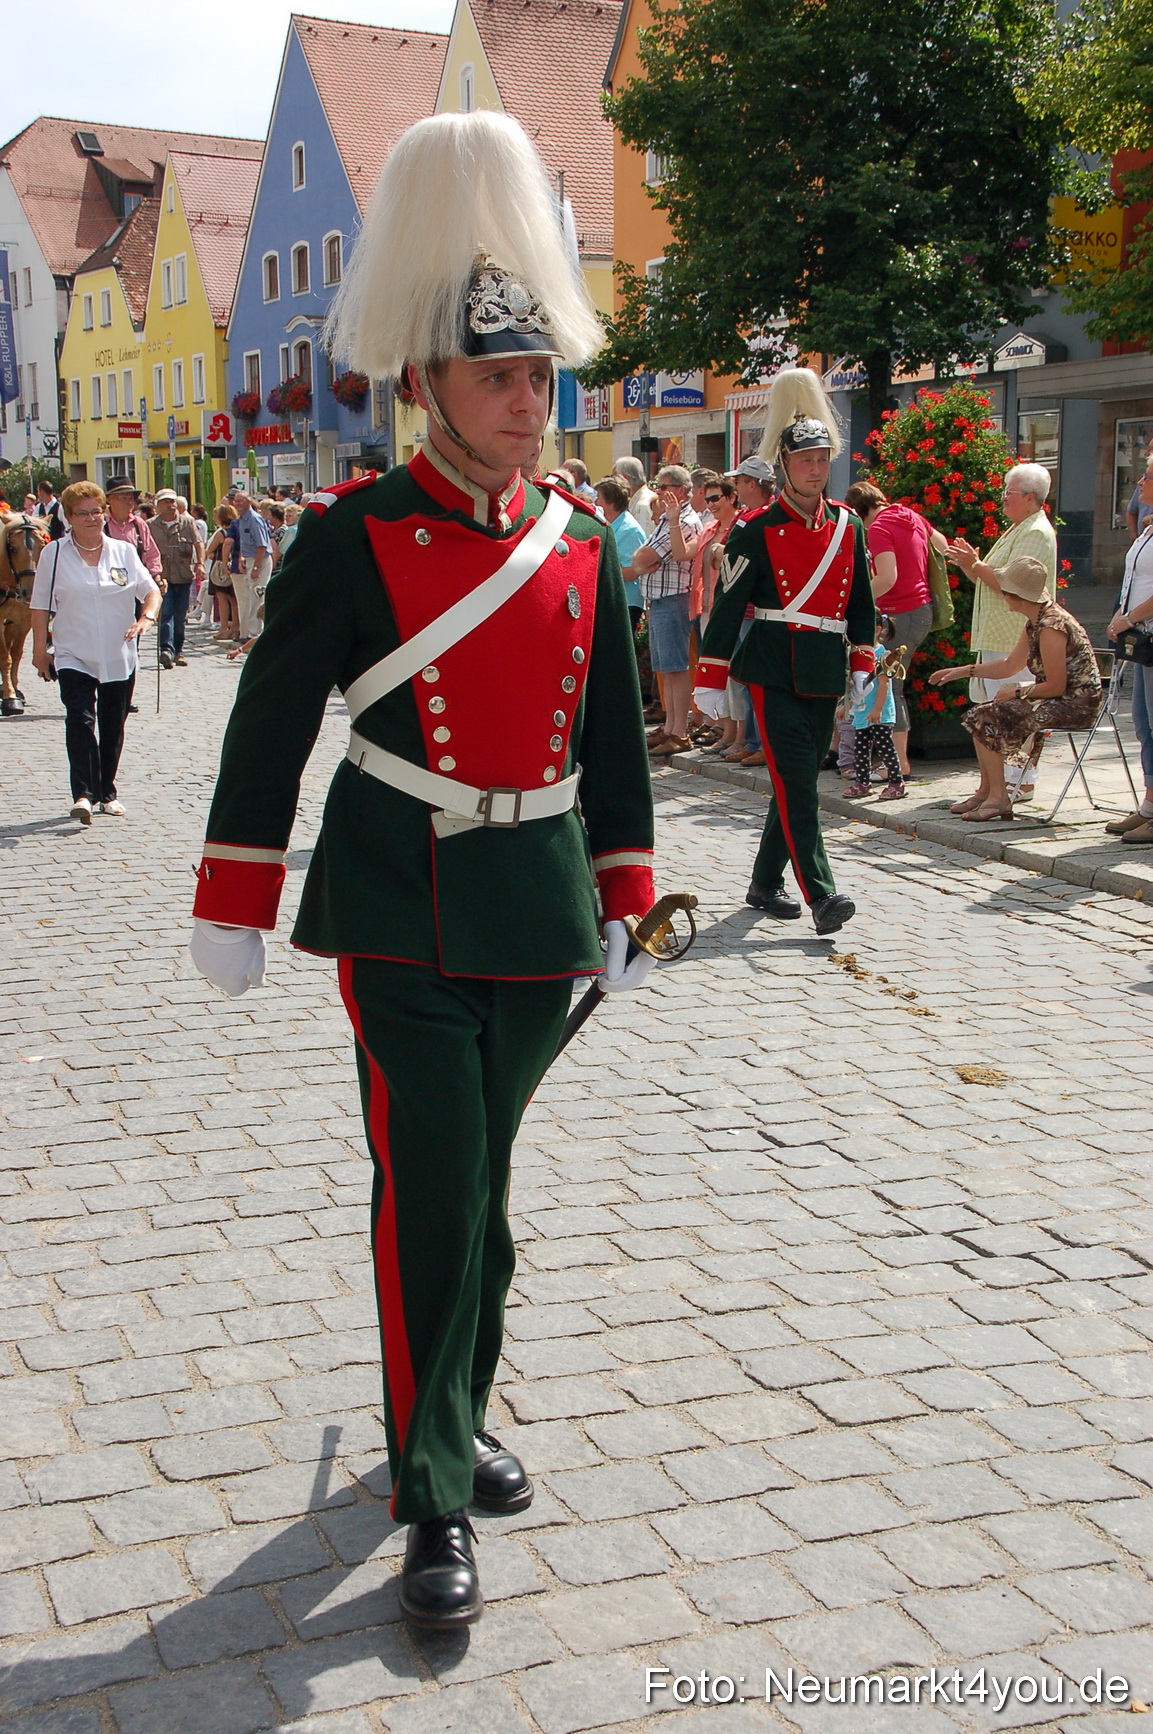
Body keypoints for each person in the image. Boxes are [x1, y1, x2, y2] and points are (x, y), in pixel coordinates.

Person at [187, 109, 657, 1631]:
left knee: (488, 1192)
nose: (531, 403)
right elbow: (268, 725)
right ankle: (430, 1492)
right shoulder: (353, 531)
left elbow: (612, 743)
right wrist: (235, 894)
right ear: (428, 387)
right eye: (499, 378)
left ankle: (458, 1406)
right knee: (433, 1189)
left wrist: (630, 886)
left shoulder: (579, 539)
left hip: (537, 906)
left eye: (539, 376)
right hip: (397, 903)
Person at [694, 367, 875, 934]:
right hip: (771, 668)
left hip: (824, 667)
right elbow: (727, 606)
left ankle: (763, 882)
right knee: (799, 782)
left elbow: (862, 603)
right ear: (785, 466)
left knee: (790, 783)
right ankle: (822, 894)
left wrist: (864, 662)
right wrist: (711, 674)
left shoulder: (848, 525)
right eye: (805, 461)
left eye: (822, 460)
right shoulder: (755, 527)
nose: (816, 470)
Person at [930, 555, 1100, 821]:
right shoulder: (1036, 618)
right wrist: (963, 671)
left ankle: (999, 798)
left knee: (986, 716)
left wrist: (1019, 691)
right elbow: (1010, 664)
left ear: (1014, 596)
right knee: (981, 713)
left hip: (1076, 705)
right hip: (1060, 698)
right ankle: (986, 791)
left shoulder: (1051, 625)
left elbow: (1056, 685)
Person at [28, 482, 160, 823]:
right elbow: (40, 605)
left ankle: (106, 792)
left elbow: (151, 592)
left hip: (118, 653)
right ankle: (83, 794)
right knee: (80, 719)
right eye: (82, 513)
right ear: (69, 517)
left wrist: (146, 618)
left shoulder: (124, 552)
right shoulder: (53, 554)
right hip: (74, 652)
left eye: (96, 511)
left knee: (113, 725)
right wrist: (39, 649)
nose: (91, 518)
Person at [947, 462, 1057, 801]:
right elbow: (991, 581)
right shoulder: (1017, 528)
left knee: (1009, 715)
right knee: (985, 713)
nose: (1003, 498)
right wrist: (971, 566)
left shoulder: (1036, 532)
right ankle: (989, 787)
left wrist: (977, 566)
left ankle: (1017, 784)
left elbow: (1017, 586)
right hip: (995, 635)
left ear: (1029, 497)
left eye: (1008, 492)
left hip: (1015, 638)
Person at [844, 479, 948, 779]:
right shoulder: (909, 514)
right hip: (921, 609)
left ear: (859, 512)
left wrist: (854, 603)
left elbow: (887, 577)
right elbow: (942, 546)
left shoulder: (877, 528)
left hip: (901, 612)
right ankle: (893, 760)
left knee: (890, 688)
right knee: (890, 686)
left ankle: (897, 764)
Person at [631, 464, 703, 755]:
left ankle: (679, 730)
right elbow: (641, 557)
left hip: (673, 598)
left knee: (676, 669)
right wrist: (642, 562)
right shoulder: (666, 519)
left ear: (681, 491)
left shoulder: (684, 520)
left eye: (665, 487)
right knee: (665, 669)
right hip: (659, 599)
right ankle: (671, 726)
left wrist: (643, 561)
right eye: (658, 486)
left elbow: (647, 555)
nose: (659, 492)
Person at [1106, 466, 1153, 844]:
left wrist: (1129, 619)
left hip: (1147, 631)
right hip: (1142, 637)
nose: (1139, 482)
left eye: (1148, 476)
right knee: (1142, 722)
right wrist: (1120, 614)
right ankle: (1150, 806)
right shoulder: (1149, 526)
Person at [843, 617, 905, 799]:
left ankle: (896, 782)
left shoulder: (882, 655)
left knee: (886, 748)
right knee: (860, 749)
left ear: (878, 630)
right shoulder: (859, 655)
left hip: (880, 713)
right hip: (863, 712)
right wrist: (846, 706)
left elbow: (884, 684)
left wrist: (878, 709)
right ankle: (862, 782)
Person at [151, 488, 204, 668]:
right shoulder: (150, 525)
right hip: (162, 576)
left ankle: (179, 651)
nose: (170, 505)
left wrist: (200, 564)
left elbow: (198, 543)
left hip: (183, 575)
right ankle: (166, 650)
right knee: (165, 614)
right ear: (157, 506)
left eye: (172, 501)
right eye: (165, 502)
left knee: (180, 616)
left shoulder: (187, 523)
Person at [595, 476, 645, 633]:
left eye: (598, 498)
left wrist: (598, 569)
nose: (595, 503)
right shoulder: (609, 525)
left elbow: (632, 571)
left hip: (625, 602)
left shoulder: (629, 529)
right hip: (611, 600)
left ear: (610, 502)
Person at [230, 490, 272, 642]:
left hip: (259, 560)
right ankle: (248, 633)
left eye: (241, 500)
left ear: (249, 501)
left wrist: (256, 568)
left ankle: (255, 635)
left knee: (257, 598)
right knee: (249, 597)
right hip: (249, 559)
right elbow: (244, 541)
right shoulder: (242, 519)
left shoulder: (254, 519)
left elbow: (262, 545)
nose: (237, 503)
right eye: (236, 501)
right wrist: (241, 558)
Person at [103, 477, 163, 580]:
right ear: (110, 499)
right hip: (108, 583)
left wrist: (156, 576)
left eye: (131, 498)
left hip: (136, 582)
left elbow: (151, 554)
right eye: (124, 498)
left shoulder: (138, 524)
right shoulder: (101, 523)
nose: (129, 502)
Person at [204, 503, 240, 643]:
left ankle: (224, 627)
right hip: (234, 566)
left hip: (220, 567)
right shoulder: (236, 529)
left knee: (222, 598)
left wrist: (209, 553)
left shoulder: (221, 533)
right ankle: (236, 627)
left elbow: (209, 550)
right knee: (234, 599)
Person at [612, 454, 657, 536]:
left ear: (626, 478)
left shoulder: (642, 505)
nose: (613, 481)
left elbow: (644, 540)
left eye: (614, 476)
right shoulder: (636, 499)